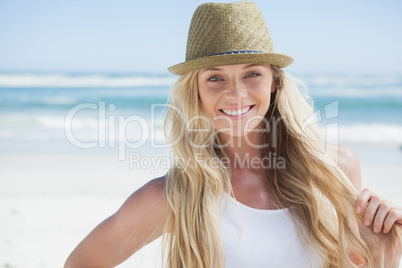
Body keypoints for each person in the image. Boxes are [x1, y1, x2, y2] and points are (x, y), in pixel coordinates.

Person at [64, 1, 402, 267]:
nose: (236, 94)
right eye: (215, 78)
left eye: (252, 74)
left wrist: (387, 252)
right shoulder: (174, 196)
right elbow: (81, 263)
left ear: (275, 83)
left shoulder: (336, 168)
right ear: (195, 92)